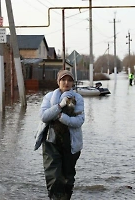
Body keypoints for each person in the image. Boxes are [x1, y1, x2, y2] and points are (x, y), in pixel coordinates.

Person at [38, 70, 85, 200]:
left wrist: (61, 117)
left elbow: (79, 121)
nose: (66, 83)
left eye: (70, 80)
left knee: (68, 175)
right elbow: (44, 116)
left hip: (70, 142)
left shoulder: (78, 98)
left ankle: (66, 197)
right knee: (54, 175)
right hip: (50, 140)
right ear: (58, 82)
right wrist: (60, 106)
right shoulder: (49, 97)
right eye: (63, 80)